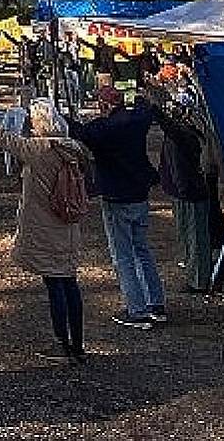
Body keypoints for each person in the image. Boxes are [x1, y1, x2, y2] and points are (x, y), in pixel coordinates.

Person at [0, 99, 93, 364]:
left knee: (55, 284)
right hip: (69, 224)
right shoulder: (73, 148)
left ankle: (62, 342)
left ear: (39, 122)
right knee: (70, 282)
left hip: (47, 225)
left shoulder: (39, 149)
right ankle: (78, 343)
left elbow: (3, 138)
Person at [69, 85, 166, 329]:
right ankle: (156, 303)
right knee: (142, 250)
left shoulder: (103, 130)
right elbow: (146, 107)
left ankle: (136, 309)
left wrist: (63, 117)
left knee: (123, 255)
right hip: (139, 193)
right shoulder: (136, 121)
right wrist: (140, 97)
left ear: (103, 105)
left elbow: (77, 131)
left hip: (116, 196)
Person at [150, 88, 212, 293]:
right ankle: (195, 275)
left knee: (196, 240)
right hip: (183, 191)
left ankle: (199, 280)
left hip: (189, 192)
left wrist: (154, 111)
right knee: (189, 237)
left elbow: (172, 130)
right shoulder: (184, 133)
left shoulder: (185, 135)